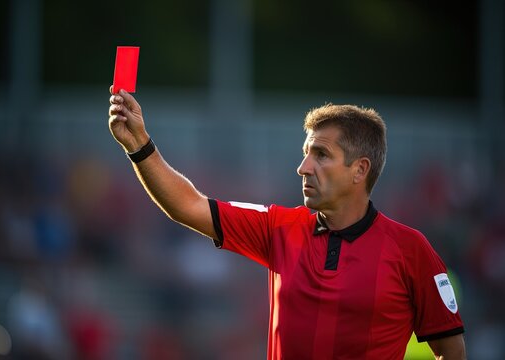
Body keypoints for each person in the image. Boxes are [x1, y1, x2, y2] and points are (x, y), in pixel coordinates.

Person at [108, 87, 466, 360]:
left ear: (360, 170)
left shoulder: (410, 250)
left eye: (321, 154)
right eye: (305, 153)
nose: (304, 167)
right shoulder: (279, 227)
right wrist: (139, 143)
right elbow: (188, 205)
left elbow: (452, 352)